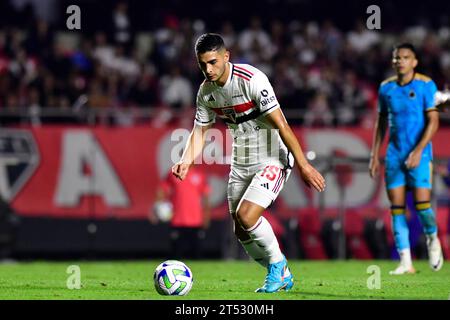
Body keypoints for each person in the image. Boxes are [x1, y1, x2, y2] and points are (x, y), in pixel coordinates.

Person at [171, 33, 325, 293]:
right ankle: (280, 272)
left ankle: (278, 265)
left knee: (247, 215)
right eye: (203, 65)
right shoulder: (206, 92)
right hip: (241, 163)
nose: (208, 70)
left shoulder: (252, 79)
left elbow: (283, 125)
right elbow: (200, 131)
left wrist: (303, 165)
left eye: (213, 62)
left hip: (272, 157)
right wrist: (186, 160)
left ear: (226, 56)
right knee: (241, 230)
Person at [369, 43, 443, 275]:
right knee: (397, 208)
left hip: (420, 154)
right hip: (394, 156)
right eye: (397, 57)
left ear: (414, 61)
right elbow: (381, 122)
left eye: (405, 57)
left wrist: (419, 150)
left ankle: (432, 238)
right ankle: (406, 262)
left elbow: (433, 121)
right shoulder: (386, 88)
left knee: (422, 206)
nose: (400, 61)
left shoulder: (426, 85)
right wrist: (374, 154)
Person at [151, 166, 211, 259]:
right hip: (177, 221)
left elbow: (206, 197)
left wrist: (206, 216)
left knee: (197, 255)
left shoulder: (200, 175)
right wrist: (156, 209)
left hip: (196, 222)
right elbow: (162, 190)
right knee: (176, 254)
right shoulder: (174, 174)